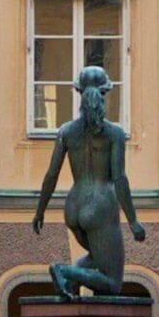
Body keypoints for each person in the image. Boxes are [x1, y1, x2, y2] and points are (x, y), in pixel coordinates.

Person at [30, 62, 143, 296]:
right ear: (105, 93)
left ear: (79, 93)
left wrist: (40, 211)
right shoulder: (114, 133)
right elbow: (119, 179)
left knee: (96, 259)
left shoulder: (66, 131)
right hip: (100, 206)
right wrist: (133, 221)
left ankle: (69, 284)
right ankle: (64, 272)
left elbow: (51, 175)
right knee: (112, 283)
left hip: (73, 207)